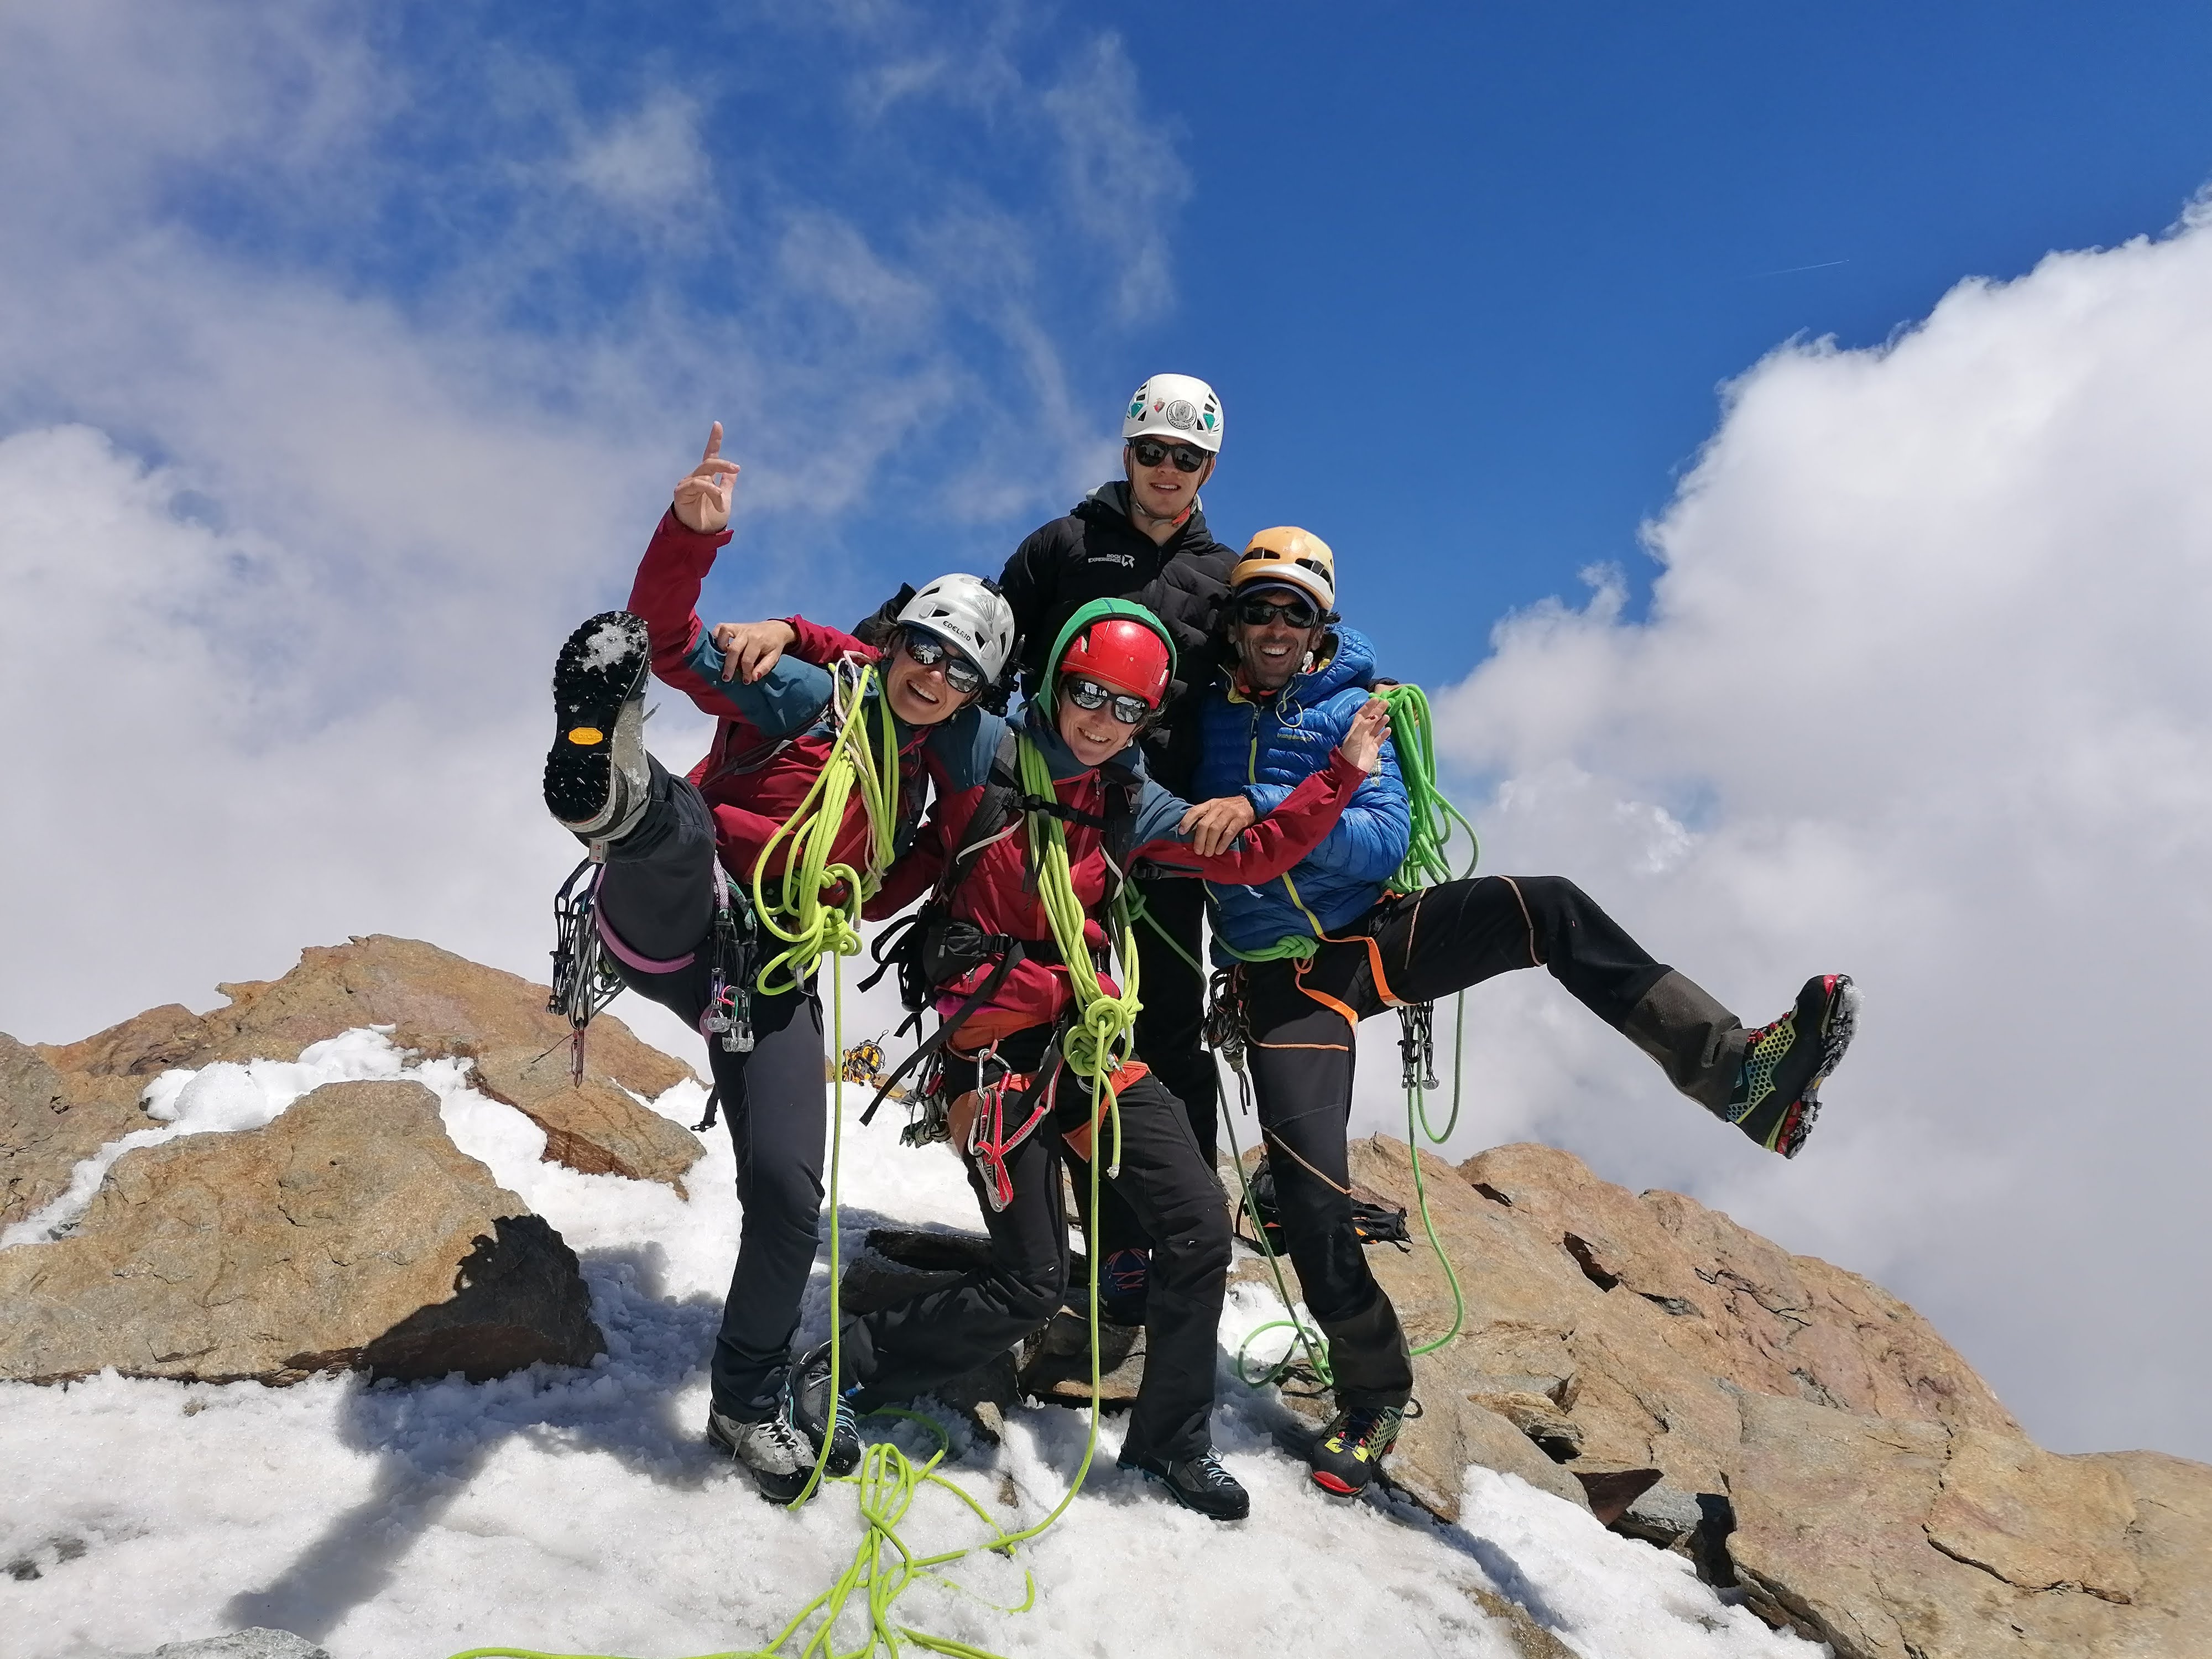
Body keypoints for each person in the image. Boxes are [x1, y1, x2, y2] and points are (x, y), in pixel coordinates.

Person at [1191, 527, 1861, 1499]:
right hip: (1274, 982)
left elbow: (1382, 845)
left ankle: (1739, 1074)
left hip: (1366, 937)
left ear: (1321, 622)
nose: (1274, 626)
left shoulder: (1357, 711)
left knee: (1543, 906)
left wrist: (1269, 809)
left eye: (1294, 609)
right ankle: (1376, 1390)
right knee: (1308, 1201)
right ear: (1236, 618)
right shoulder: (1199, 711)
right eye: (1257, 606)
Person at [819, 600, 1391, 1521]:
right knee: (1031, 1281)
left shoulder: (1132, 798)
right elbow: (905, 688)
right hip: (991, 1055)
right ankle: (846, 1371)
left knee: (1200, 1224)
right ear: (1057, 685)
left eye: (1128, 708)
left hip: (1082, 1046)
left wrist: (1341, 772)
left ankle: (1171, 1443)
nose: (1101, 720)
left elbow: (1253, 853)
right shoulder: (985, 754)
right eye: (1088, 693)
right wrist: (802, 641)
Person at [540, 422, 1013, 1502]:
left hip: (770, 971)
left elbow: (884, 891)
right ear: (895, 641)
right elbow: (668, 643)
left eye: (958, 667)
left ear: (971, 691)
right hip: (682, 915)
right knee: (687, 841)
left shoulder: (917, 791)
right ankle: (611, 783)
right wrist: (688, 535)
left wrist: (947, 843)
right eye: (925, 646)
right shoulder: (809, 693)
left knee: (791, 1195)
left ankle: (744, 1401)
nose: (933, 673)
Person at [988, 373, 1241, 1317]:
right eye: (1151, 451)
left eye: (1187, 457)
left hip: (1165, 834)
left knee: (1169, 1032)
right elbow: (978, 638)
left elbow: (1280, 668)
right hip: (1053, 827)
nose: (1166, 471)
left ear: (1209, 465)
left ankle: (1181, 1236)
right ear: (1125, 450)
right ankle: (1090, 1248)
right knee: (1065, 1027)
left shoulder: (1230, 577)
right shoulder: (1064, 546)